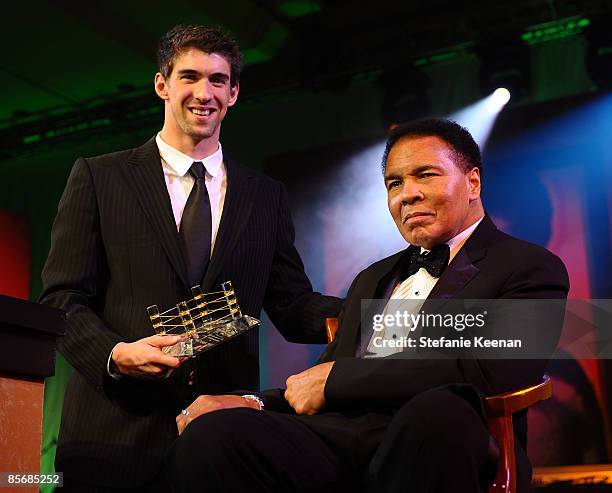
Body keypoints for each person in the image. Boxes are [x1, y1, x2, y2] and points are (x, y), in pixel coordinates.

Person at [167, 118, 570, 493]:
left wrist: (341, 381)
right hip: (349, 436)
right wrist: (251, 401)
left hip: (446, 436)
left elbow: (491, 371)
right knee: (215, 434)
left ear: (473, 182)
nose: (407, 193)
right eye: (394, 183)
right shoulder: (374, 277)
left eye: (425, 175)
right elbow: (319, 381)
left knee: (438, 411)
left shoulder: (529, 266)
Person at [40, 24, 341, 492]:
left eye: (218, 80)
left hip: (223, 443)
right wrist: (115, 355)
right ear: (162, 83)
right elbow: (62, 300)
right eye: (189, 76)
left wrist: (374, 306)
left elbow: (291, 304)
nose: (204, 92)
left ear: (235, 93)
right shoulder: (100, 178)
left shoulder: (265, 197)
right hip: (113, 441)